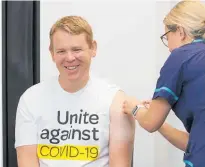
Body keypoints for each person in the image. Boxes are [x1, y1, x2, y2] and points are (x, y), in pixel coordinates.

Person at [15, 16, 135, 167]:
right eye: (61, 51)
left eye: (77, 49)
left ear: (93, 48)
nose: (70, 58)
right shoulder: (31, 99)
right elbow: (27, 162)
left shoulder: (115, 100)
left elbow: (120, 164)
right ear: (52, 53)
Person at [122, 1, 205, 167]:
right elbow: (196, 144)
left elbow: (150, 123)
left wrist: (135, 107)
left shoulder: (181, 56)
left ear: (180, 31)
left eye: (167, 37)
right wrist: (160, 120)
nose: (168, 48)